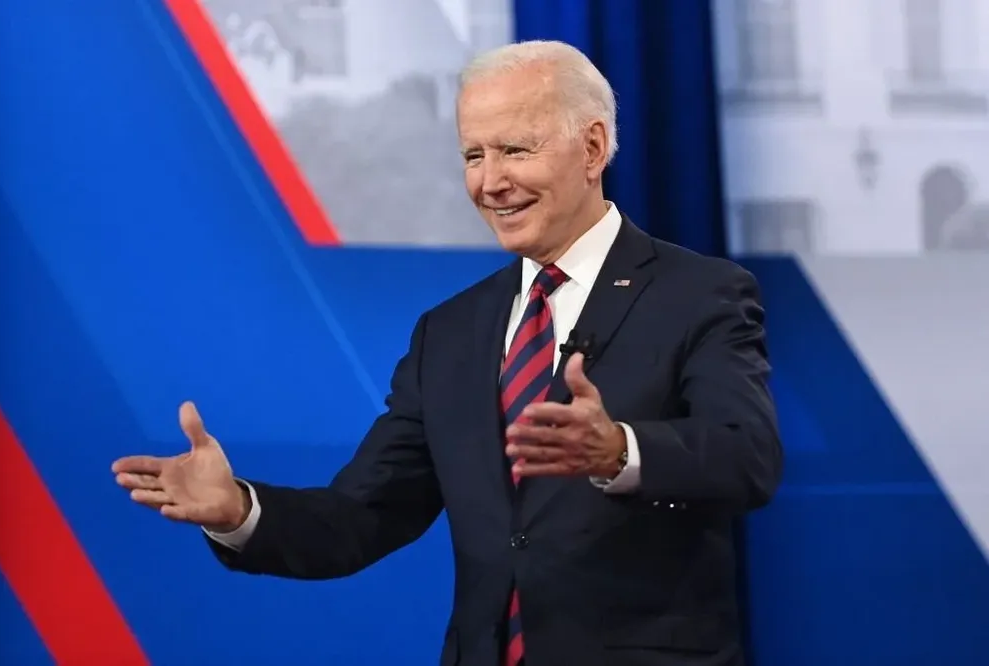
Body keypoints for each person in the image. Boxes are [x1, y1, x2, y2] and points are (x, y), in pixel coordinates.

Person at [112, 40, 783, 666]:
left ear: (592, 147)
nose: (490, 183)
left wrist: (620, 452)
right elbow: (360, 516)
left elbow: (746, 455)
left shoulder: (700, 294)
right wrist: (238, 509)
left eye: (514, 150)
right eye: (472, 156)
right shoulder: (451, 332)